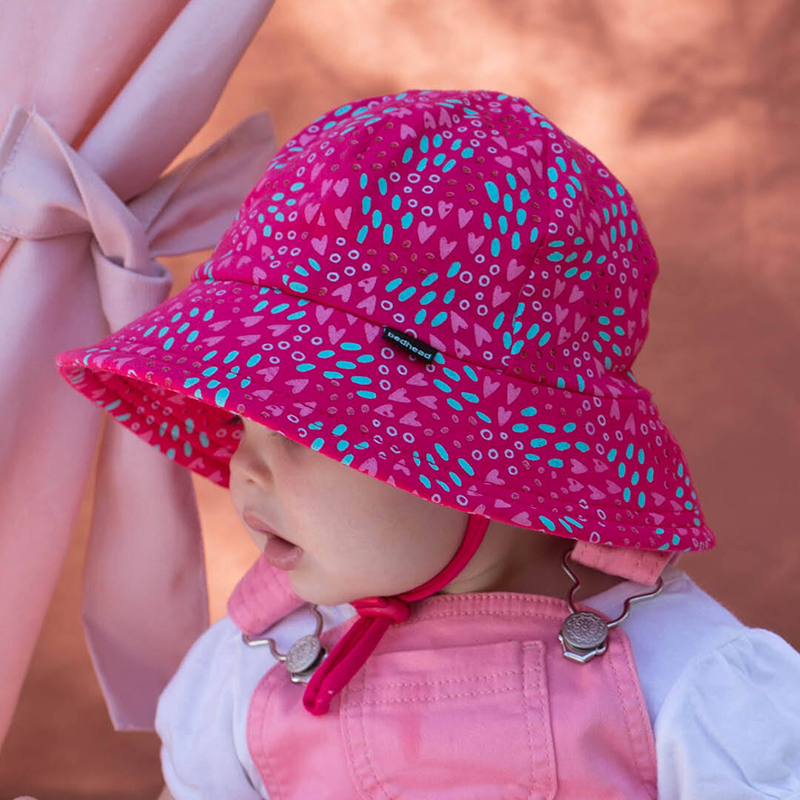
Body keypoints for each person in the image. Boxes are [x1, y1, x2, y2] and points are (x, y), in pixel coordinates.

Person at [54, 88, 800, 799]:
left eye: (297, 427)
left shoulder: (688, 685)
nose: (242, 467)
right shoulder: (253, 664)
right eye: (240, 421)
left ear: (487, 449)